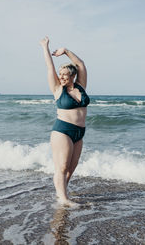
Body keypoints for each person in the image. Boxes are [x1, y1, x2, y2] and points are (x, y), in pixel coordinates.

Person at [40, 36, 90, 207]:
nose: (61, 77)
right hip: (62, 131)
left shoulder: (81, 86)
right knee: (62, 167)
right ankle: (63, 199)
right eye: (60, 74)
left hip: (79, 133)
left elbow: (81, 64)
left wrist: (66, 51)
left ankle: (62, 193)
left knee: (71, 168)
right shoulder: (57, 89)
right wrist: (45, 47)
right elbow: (49, 67)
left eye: (65, 75)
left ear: (73, 76)